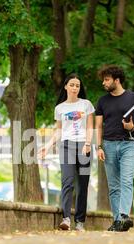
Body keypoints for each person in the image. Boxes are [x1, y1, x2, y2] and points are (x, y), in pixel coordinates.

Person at [95, 65, 134, 232]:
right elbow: (98, 126)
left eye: (107, 79)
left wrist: (133, 126)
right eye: (103, 79)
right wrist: (99, 147)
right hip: (109, 145)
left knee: (126, 181)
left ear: (116, 80)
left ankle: (124, 216)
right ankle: (117, 220)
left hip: (129, 145)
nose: (104, 82)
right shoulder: (102, 101)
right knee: (114, 186)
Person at [39, 74, 95, 231]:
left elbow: (90, 126)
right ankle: (66, 219)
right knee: (67, 181)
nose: (75, 88)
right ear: (66, 86)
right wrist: (48, 146)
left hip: (84, 145)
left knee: (82, 185)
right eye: (72, 85)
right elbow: (59, 130)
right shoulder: (60, 108)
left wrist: (88, 144)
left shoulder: (86, 104)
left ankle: (80, 222)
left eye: (77, 85)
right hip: (66, 146)